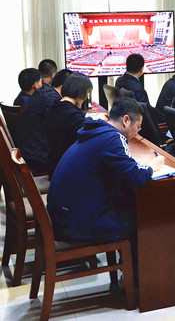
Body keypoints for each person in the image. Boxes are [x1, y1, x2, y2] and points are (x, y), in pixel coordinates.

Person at [47, 97, 164, 242]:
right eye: (138, 127)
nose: (137, 132)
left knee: (124, 199)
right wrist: (152, 166)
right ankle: (135, 258)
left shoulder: (96, 130)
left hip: (62, 215)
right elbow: (136, 176)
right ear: (126, 120)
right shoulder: (113, 138)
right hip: (76, 224)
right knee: (145, 218)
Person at [19, 69, 73, 174]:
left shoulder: (44, 93)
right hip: (38, 157)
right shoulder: (51, 98)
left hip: (29, 150)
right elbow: (64, 124)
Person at [45, 73, 93, 177]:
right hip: (66, 170)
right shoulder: (72, 114)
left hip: (54, 164)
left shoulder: (55, 106)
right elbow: (86, 136)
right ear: (82, 93)